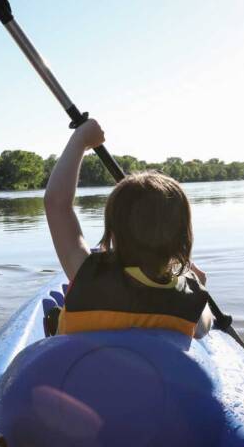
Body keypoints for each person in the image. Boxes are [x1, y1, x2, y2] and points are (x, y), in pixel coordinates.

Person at [44, 119, 213, 339]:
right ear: (183, 237)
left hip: (78, 371)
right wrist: (198, 283)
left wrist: (80, 140)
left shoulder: (88, 273)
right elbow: (203, 328)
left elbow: (56, 203)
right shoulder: (189, 297)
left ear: (113, 232)